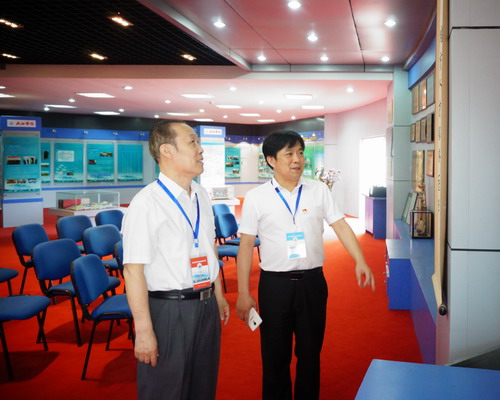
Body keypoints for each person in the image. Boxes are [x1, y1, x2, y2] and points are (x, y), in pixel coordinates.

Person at [236, 130, 375, 400]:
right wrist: (243, 292)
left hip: (312, 283)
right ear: (271, 160)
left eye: (300, 152)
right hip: (274, 286)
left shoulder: (318, 190)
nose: (297, 159)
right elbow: (245, 246)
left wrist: (360, 260)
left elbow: (341, 226)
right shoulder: (256, 197)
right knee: (275, 356)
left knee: (310, 354)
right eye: (289, 154)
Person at [122, 120, 230, 400]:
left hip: (206, 304)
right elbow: (133, 271)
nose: (201, 149)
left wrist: (218, 294)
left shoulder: (201, 195)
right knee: (166, 390)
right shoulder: (146, 203)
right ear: (167, 151)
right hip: (169, 309)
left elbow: (209, 248)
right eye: (193, 142)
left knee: (203, 387)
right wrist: (143, 331)